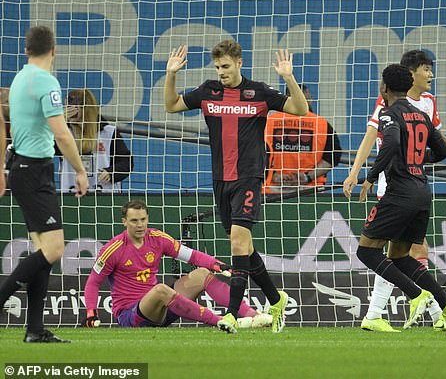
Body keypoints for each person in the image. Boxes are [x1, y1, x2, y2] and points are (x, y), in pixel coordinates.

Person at [164, 41, 308, 333]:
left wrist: (288, 77)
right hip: (221, 180)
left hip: (249, 177)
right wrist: (171, 75)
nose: (221, 72)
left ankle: (230, 314)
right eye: (218, 67)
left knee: (238, 243)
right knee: (244, 246)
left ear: (240, 63)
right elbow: (171, 105)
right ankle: (276, 299)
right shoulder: (208, 91)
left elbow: (300, 109)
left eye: (226, 67)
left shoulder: (259, 93)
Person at [344, 49, 446, 332]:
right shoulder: (391, 107)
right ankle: (438, 309)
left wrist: (370, 176)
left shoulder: (424, 103)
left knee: (382, 251)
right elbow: (373, 137)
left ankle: (411, 307)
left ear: (386, 86)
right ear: (411, 74)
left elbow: (398, 144)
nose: (431, 75)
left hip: (401, 183)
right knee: (403, 251)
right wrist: (356, 171)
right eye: (426, 69)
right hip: (410, 184)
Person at [356, 64, 446, 335]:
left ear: (384, 88)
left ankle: (416, 294)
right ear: (407, 86)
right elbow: (441, 151)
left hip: (400, 192)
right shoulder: (420, 114)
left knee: (366, 251)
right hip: (421, 192)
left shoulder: (389, 114)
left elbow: (390, 143)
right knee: (400, 256)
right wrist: (416, 159)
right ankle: (445, 301)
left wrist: (370, 177)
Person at [0, 25, 88, 343]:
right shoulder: (47, 82)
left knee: (42, 251)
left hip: (22, 168)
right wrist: (80, 170)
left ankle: (35, 329)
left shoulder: (20, 78)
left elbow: (7, 121)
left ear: (26, 51)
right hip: (35, 172)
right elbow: (62, 133)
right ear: (55, 50)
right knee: (54, 248)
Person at [81, 200, 272, 331]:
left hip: (161, 310)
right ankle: (222, 321)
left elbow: (192, 256)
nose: (140, 225)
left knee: (202, 274)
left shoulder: (157, 238)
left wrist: (218, 265)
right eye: (134, 221)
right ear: (124, 222)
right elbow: (93, 283)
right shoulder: (113, 249)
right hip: (131, 317)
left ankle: (255, 317)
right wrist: (91, 312)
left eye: (143, 220)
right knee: (161, 290)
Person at [264, 84, 342, 193]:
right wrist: (307, 177)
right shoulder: (321, 124)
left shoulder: (268, 122)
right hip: (310, 190)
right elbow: (333, 157)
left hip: (273, 189)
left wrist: (272, 175)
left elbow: (255, 154)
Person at [59, 88, 133, 193]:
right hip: (72, 193)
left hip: (105, 193)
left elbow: (127, 162)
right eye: (67, 106)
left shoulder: (109, 132)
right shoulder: (64, 133)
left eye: (74, 106)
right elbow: (48, 148)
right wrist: (60, 122)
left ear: (86, 108)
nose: (69, 110)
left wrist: (111, 172)